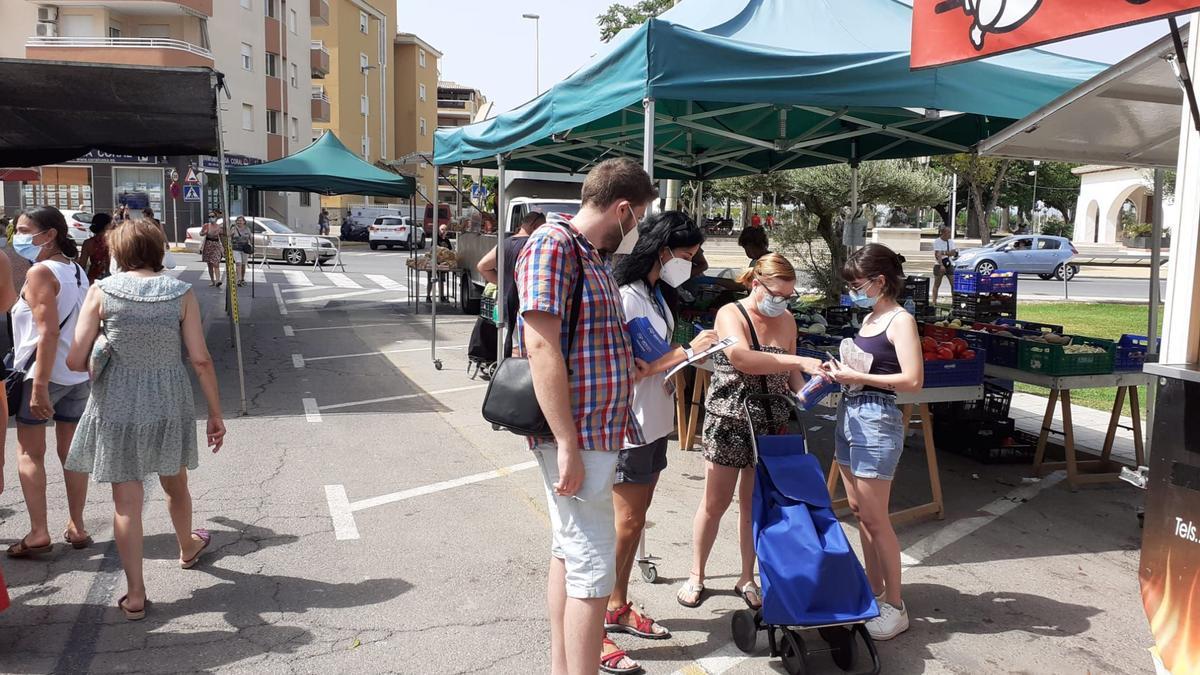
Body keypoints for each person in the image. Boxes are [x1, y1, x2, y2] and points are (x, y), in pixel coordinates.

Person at [516, 157, 656, 675]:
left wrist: (627, 363)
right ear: (623, 208)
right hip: (580, 436)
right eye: (637, 217)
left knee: (570, 555)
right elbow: (541, 346)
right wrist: (568, 444)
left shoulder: (587, 253)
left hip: (592, 432)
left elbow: (578, 342)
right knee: (594, 571)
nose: (636, 228)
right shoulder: (554, 245)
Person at [65, 217, 226, 620]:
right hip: (169, 402)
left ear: (118, 252)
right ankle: (187, 547)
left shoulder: (102, 291)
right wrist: (215, 414)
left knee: (126, 503)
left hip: (116, 402)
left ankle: (135, 594)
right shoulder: (181, 293)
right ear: (157, 250)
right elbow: (201, 359)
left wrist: (103, 341)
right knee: (176, 483)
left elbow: (74, 359)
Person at [677, 253, 824, 610]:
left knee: (754, 504)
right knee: (715, 502)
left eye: (788, 297)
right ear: (756, 284)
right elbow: (742, 358)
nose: (782, 302)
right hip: (730, 419)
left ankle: (748, 576)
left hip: (770, 423)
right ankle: (697, 574)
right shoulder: (732, 314)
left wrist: (814, 387)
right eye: (777, 294)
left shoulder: (787, 321)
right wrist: (798, 360)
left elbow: (793, 379)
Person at [605, 211, 717, 671]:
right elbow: (642, 362)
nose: (690, 263)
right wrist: (691, 351)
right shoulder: (628, 296)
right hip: (630, 425)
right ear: (661, 250)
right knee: (622, 524)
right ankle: (592, 626)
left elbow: (656, 360)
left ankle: (617, 603)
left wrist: (679, 358)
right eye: (686, 255)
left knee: (636, 521)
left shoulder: (654, 294)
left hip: (653, 421)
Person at [824, 243, 924, 641]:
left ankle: (895, 605)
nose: (853, 289)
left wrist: (860, 379)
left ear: (880, 281)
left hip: (877, 418)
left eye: (857, 283)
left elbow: (913, 380)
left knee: (876, 517)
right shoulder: (869, 318)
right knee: (859, 511)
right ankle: (875, 587)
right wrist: (843, 375)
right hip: (850, 413)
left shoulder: (900, 321)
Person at [5, 206, 92, 559]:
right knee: (71, 452)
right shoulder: (76, 270)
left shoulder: (41, 272)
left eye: (25, 229)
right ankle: (77, 525)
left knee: (29, 452)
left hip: (44, 374)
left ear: (50, 234)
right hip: (76, 374)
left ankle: (39, 531)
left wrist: (38, 385)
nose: (18, 236)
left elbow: (47, 332)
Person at [478, 211, 546, 334]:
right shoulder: (533, 245)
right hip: (525, 306)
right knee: (521, 349)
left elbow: (483, 266)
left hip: (505, 305)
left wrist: (503, 283)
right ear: (535, 226)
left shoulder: (505, 243)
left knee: (509, 346)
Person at [78, 212, 114, 284]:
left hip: (93, 279)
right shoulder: (113, 242)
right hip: (111, 279)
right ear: (107, 226)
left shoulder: (88, 243)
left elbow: (82, 266)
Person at [931, 226, 957, 303]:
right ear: (943, 233)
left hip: (949, 264)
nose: (950, 234)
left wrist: (943, 252)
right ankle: (934, 301)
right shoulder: (937, 241)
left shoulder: (951, 242)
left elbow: (953, 252)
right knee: (937, 284)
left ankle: (954, 302)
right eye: (948, 232)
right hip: (939, 265)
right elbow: (937, 254)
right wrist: (941, 265)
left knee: (953, 284)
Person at [199, 211, 225, 287]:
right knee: (210, 264)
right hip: (208, 245)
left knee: (216, 263)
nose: (211, 218)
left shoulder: (219, 227)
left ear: (216, 218)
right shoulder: (206, 225)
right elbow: (201, 233)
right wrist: (204, 232)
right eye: (209, 217)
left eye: (213, 216)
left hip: (216, 245)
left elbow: (224, 235)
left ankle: (218, 280)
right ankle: (212, 280)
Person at [229, 216, 252, 287]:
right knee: (238, 263)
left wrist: (252, 247)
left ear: (244, 222)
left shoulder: (247, 229)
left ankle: (242, 278)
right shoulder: (233, 228)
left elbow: (250, 238)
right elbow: (229, 237)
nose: (239, 222)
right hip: (236, 249)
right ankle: (238, 279)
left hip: (245, 249)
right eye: (238, 220)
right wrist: (231, 234)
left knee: (243, 264)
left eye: (241, 220)